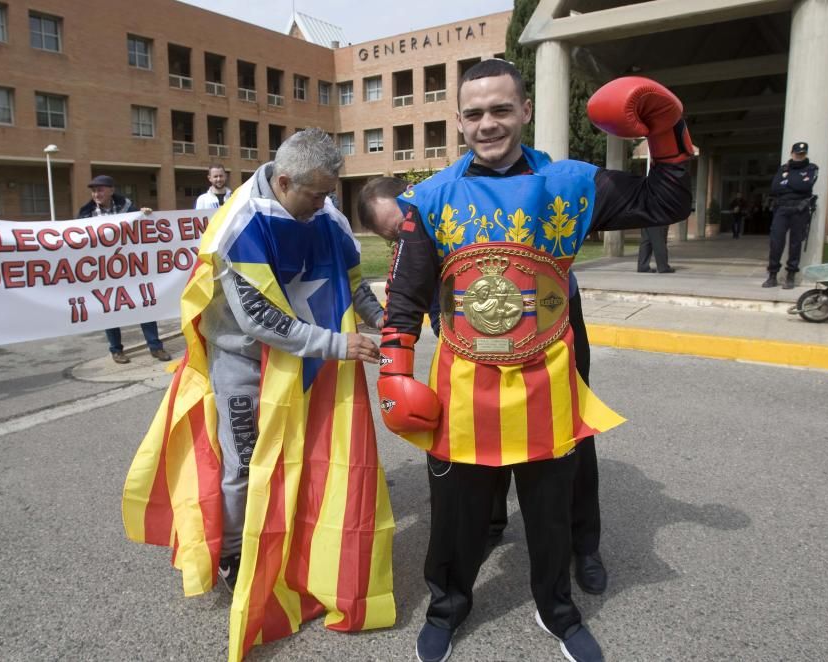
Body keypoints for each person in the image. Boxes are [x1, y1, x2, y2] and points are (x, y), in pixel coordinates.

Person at [375, 61, 693, 662]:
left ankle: (558, 610)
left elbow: (667, 199)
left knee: (550, 509)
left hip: (547, 375)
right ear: (459, 121)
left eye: (500, 109)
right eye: (474, 113)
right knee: (455, 512)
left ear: (524, 111)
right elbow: (407, 291)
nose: (487, 123)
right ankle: (447, 606)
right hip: (462, 381)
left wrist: (666, 130)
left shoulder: (572, 182)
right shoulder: (432, 195)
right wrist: (395, 367)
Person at [121, 129, 392, 661]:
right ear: (284, 180)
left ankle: (298, 544)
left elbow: (352, 279)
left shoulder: (325, 213)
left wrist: (385, 324)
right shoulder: (240, 222)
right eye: (314, 195)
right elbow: (262, 319)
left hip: (312, 359)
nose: (323, 206)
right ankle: (239, 553)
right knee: (245, 463)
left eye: (328, 196)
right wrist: (340, 343)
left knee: (316, 457)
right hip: (246, 360)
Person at [359, 176, 609, 586]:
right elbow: (412, 297)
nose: (405, 234)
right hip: (469, 317)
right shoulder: (413, 239)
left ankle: (584, 545)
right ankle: (491, 523)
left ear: (416, 199)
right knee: (478, 423)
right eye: (393, 235)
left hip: (550, 314)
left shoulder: (459, 196)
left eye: (405, 221)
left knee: (572, 429)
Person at [76, 174, 170, 363]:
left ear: (111, 190)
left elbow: (142, 227)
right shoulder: (86, 214)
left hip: (130, 267)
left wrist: (146, 214)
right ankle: (116, 350)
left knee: (145, 304)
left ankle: (155, 346)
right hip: (105, 270)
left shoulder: (128, 208)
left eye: (100, 189)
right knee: (111, 310)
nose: (96, 194)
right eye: (94, 191)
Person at [763, 142, 818, 289]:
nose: (799, 156)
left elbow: (806, 186)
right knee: (776, 242)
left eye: (802, 154)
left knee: (795, 243)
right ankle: (772, 275)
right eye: (797, 153)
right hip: (782, 209)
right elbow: (775, 188)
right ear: (791, 153)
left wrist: (786, 182)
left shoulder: (811, 168)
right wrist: (796, 182)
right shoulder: (784, 168)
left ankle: (791, 275)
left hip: (799, 209)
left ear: (805, 154)